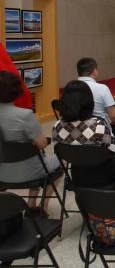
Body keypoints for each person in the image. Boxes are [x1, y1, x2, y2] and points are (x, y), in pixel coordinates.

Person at [0, 71, 61, 217]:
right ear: (17, 90)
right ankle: (42, 206)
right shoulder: (25, 115)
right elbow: (41, 144)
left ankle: (31, 204)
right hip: (28, 170)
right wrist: (46, 140)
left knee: (35, 157)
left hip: (2, 172)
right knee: (60, 161)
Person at [52, 80, 115, 186]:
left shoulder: (57, 126)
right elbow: (114, 150)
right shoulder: (98, 125)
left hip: (77, 178)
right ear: (89, 101)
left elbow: (59, 150)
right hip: (104, 177)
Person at [76, 57, 115, 135]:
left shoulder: (70, 88)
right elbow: (113, 116)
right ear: (94, 71)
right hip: (100, 132)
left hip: (76, 131)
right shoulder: (102, 88)